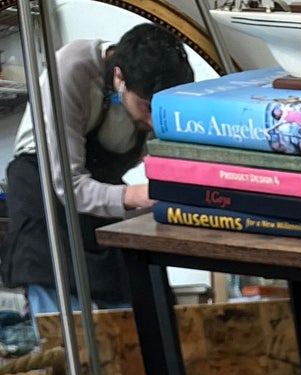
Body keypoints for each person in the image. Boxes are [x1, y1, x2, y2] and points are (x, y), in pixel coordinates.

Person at [2, 24, 193, 312]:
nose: (154, 123)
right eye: (147, 108)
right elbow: (69, 184)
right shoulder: (72, 69)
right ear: (119, 77)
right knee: (67, 321)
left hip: (99, 192)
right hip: (45, 194)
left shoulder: (151, 97)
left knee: (144, 298)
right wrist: (141, 196)